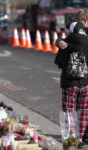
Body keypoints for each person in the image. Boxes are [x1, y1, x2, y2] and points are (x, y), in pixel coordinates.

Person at [54, 9, 88, 148]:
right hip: (86, 81)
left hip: (70, 81)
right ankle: (80, 138)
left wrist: (59, 42)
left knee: (68, 109)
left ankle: (71, 137)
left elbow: (59, 59)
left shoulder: (71, 38)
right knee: (83, 110)